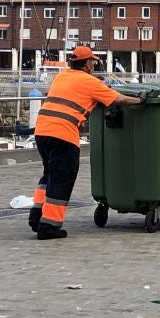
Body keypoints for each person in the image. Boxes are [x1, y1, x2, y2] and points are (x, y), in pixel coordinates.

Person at [28, 46, 143, 240]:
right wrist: (139, 101)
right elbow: (117, 99)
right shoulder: (90, 81)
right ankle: (49, 226)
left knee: (49, 174)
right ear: (88, 63)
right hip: (63, 133)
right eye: (93, 62)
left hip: (42, 130)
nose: (94, 66)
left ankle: (36, 216)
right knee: (62, 177)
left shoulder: (62, 76)